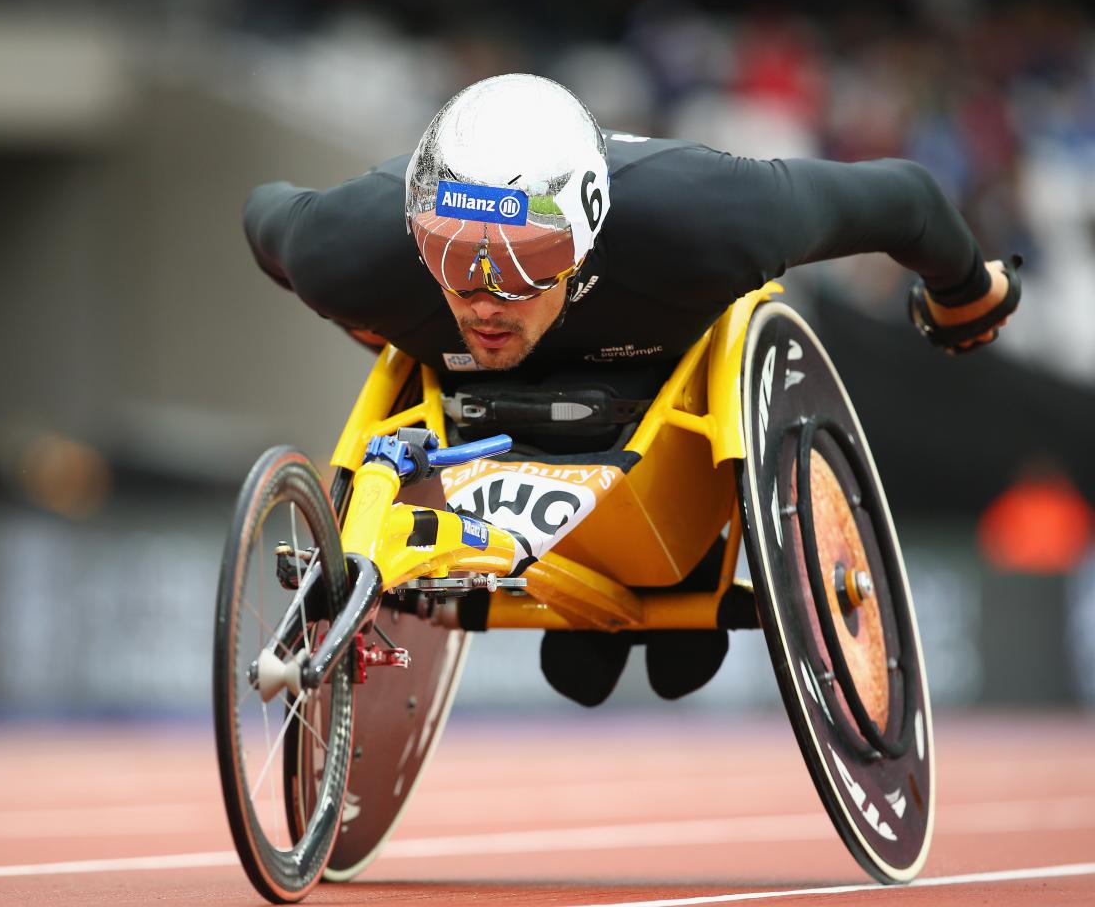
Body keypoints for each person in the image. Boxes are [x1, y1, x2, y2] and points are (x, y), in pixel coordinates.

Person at [243, 73, 1022, 705]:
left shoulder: (707, 216)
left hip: (667, 418)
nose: (484, 298)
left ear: (582, 237)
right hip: (475, 415)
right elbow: (263, 218)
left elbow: (908, 200)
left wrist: (967, 292)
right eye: (454, 256)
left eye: (522, 261)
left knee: (643, 648)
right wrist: (371, 323)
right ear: (417, 228)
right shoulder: (349, 246)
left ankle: (667, 573)